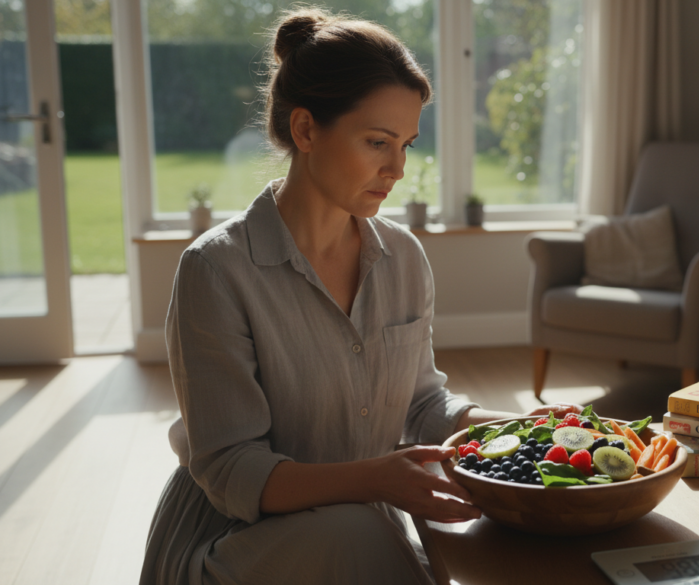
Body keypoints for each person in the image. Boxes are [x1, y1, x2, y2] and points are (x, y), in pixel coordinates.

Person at [139, 8, 580, 585]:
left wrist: (527, 428)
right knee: (364, 536)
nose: (397, 168)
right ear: (305, 130)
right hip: (234, 540)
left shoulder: (402, 257)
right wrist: (376, 479)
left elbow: (422, 405)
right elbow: (232, 471)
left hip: (359, 526)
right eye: (377, 141)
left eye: (406, 145)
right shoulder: (216, 269)